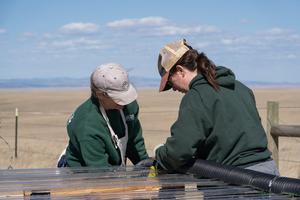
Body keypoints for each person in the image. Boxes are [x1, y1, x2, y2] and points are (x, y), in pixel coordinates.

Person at [154, 39, 280, 175]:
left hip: (235, 183)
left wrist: (160, 153)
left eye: (170, 82)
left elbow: (179, 152)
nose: (173, 88)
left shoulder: (196, 97)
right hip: (269, 174)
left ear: (180, 71)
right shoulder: (241, 88)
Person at [59, 63, 150, 167]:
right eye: (118, 97)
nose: (124, 102)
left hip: (112, 169)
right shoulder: (88, 124)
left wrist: (146, 166)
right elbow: (99, 171)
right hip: (83, 172)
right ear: (100, 94)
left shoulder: (129, 106)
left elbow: (134, 140)